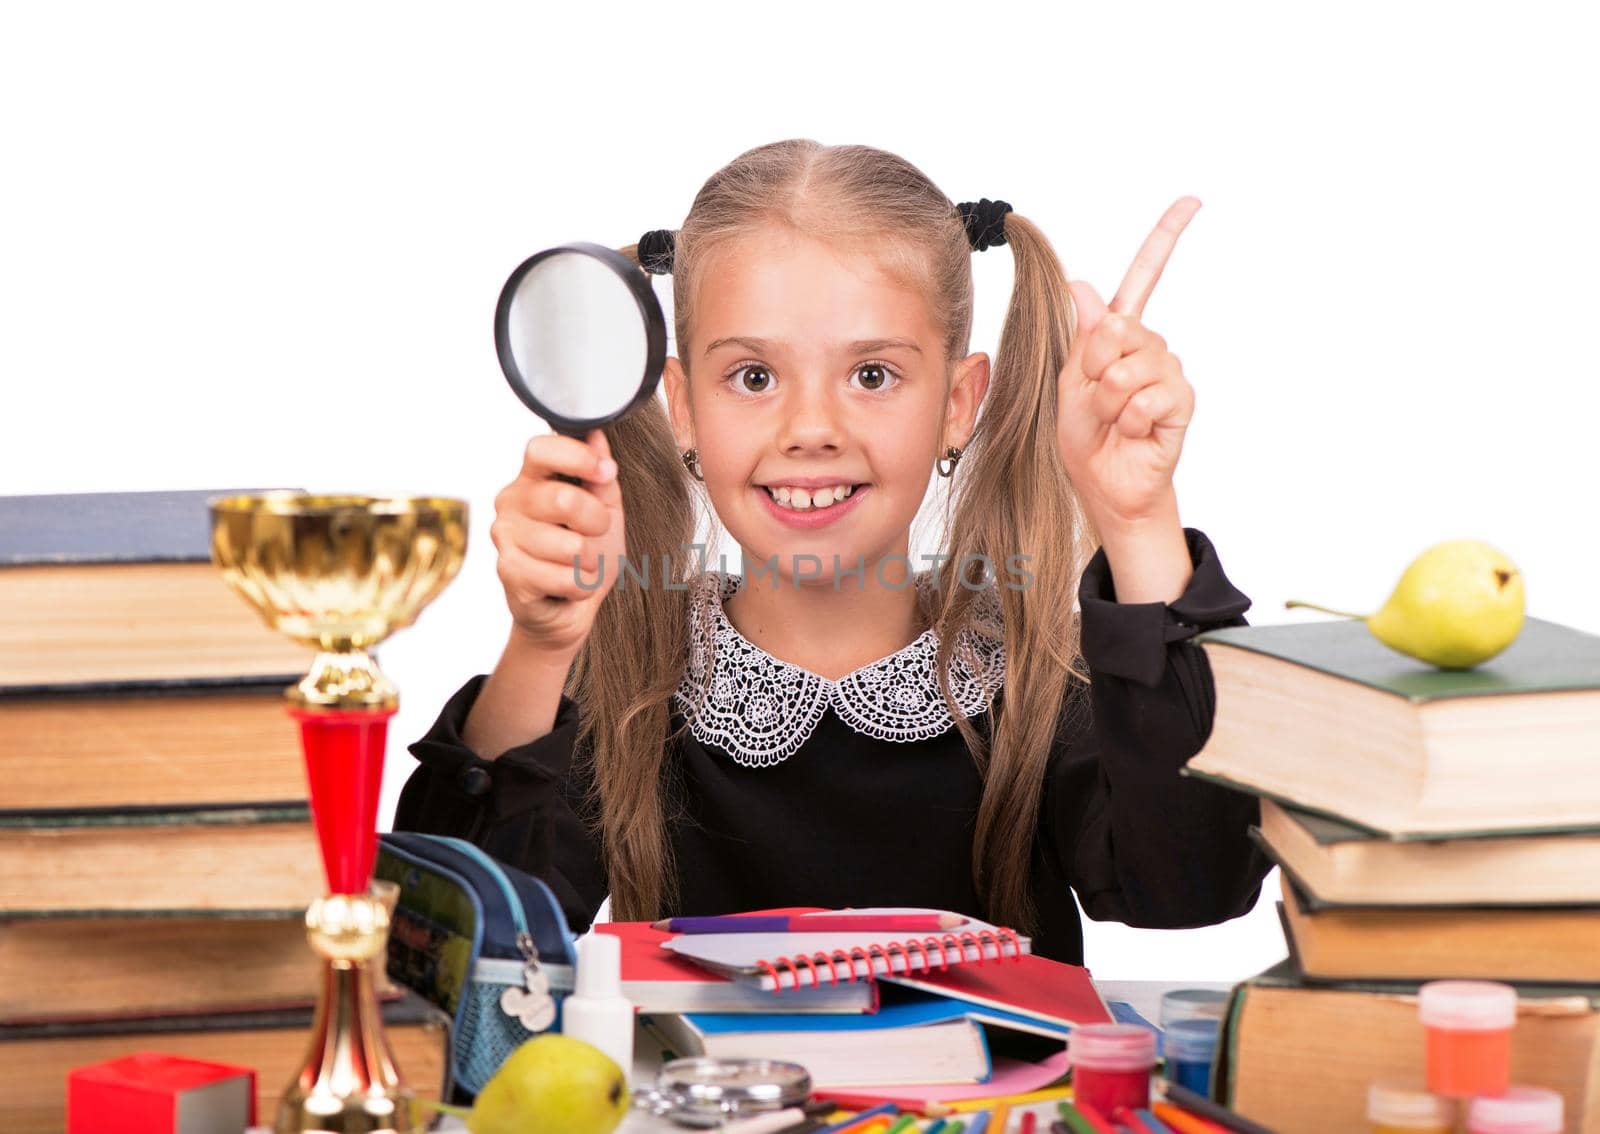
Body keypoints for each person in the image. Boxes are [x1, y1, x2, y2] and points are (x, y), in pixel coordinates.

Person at [395, 139, 1269, 964]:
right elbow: (444, 945)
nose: (811, 429)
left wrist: (1138, 519)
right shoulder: (632, 680)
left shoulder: (1036, 679)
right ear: (684, 407)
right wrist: (542, 646)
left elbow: (1188, 889)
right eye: (754, 377)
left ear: (959, 405)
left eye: (873, 375)